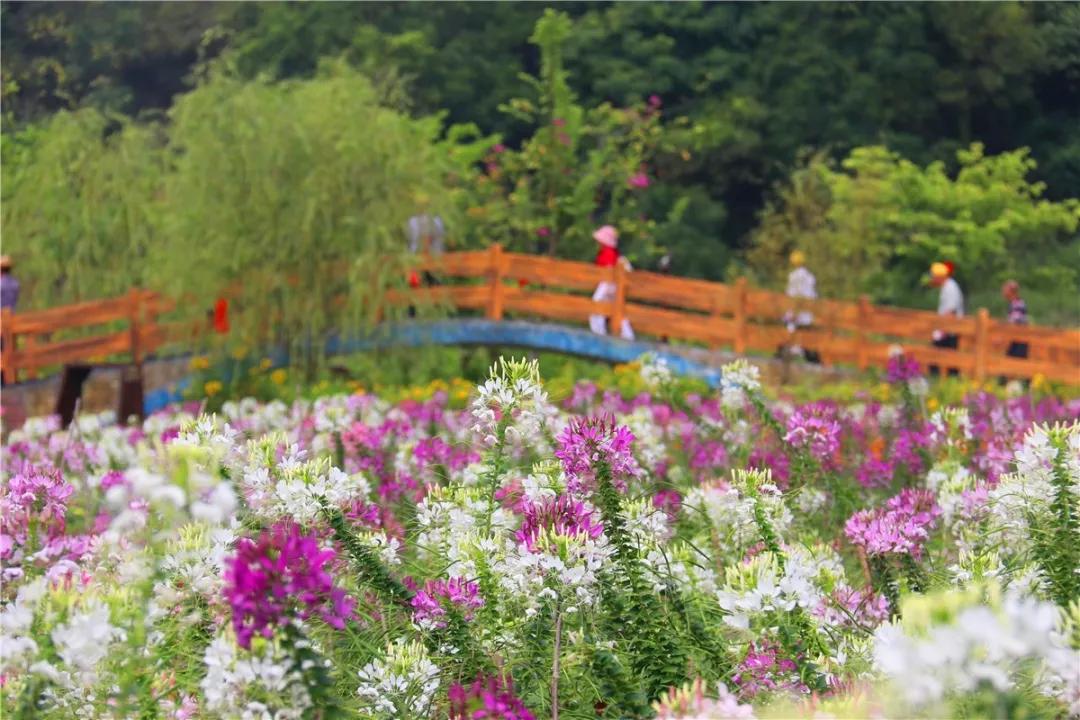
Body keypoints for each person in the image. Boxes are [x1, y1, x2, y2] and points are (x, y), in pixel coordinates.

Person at [589, 225, 634, 340]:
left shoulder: (607, 253)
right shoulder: (613, 253)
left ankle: (599, 333)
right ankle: (628, 336)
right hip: (614, 286)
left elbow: (607, 270)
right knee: (617, 310)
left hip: (608, 285)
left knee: (597, 306)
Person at [782, 250, 820, 363]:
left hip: (796, 309)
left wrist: (793, 310)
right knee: (804, 331)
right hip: (807, 312)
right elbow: (813, 295)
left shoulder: (793, 277)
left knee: (792, 328)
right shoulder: (810, 277)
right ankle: (800, 350)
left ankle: (794, 350)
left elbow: (792, 294)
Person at [928, 260, 964, 377]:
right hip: (947, 329)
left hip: (949, 330)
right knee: (943, 358)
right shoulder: (946, 287)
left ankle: (941, 380)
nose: (932, 279)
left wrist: (941, 330)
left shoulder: (950, 288)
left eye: (934, 276)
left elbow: (951, 311)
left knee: (942, 358)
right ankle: (944, 380)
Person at [1001, 279, 1029, 376]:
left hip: (1020, 339)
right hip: (1017, 338)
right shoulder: (1014, 304)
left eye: (1005, 290)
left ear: (1010, 291)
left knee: (1017, 363)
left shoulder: (1017, 305)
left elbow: (1014, 323)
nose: (1003, 292)